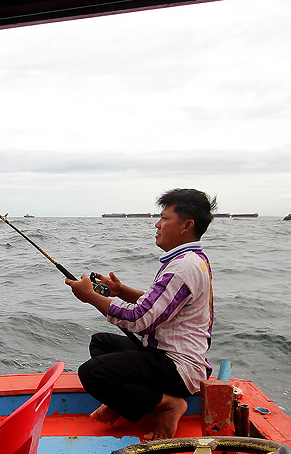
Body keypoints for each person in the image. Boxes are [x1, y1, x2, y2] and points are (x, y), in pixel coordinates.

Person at [65, 188, 215, 440]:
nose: (157, 224)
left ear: (186, 226)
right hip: (163, 355)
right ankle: (127, 404)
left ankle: (169, 405)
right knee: (101, 342)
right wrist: (120, 291)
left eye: (165, 219)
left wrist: (91, 297)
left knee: (92, 373)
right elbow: (160, 303)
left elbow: (140, 319)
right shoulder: (191, 260)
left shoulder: (183, 267)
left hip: (179, 368)